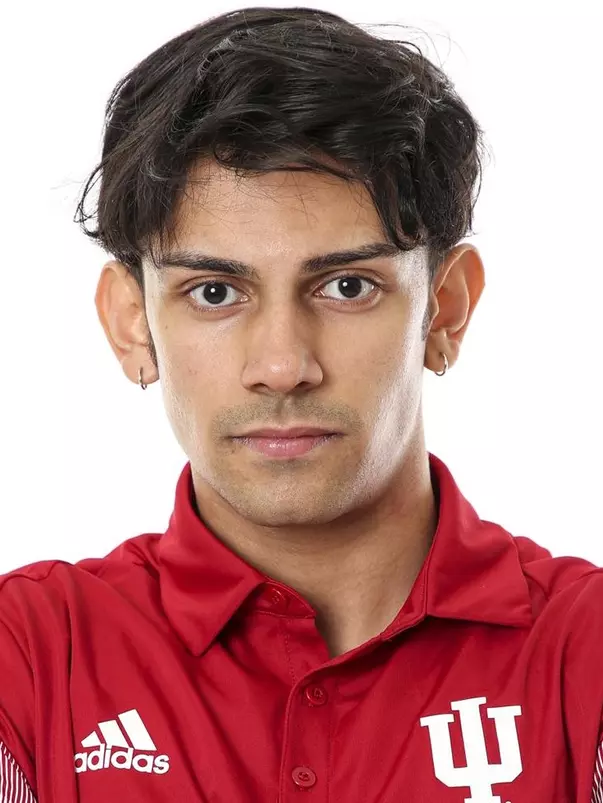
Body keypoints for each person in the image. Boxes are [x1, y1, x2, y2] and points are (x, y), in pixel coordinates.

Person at [1, 5, 601, 801]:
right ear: (130, 322)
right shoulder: (30, 658)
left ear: (444, 308)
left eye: (347, 286)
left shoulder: (585, 652)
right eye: (214, 291)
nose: (282, 366)